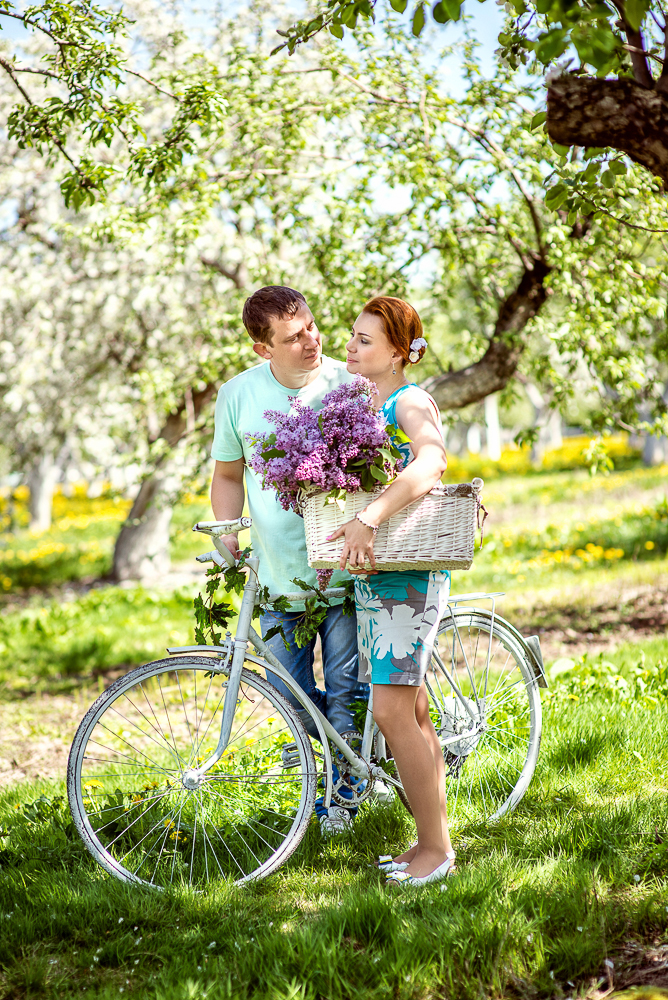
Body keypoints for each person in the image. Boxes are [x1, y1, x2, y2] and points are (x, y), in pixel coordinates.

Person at [210, 285, 368, 836]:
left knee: (350, 688)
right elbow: (229, 476)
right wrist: (229, 531)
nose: (311, 341)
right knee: (286, 694)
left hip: (350, 575)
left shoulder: (350, 384)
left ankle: (343, 801)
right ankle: (327, 767)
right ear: (263, 349)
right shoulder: (238, 396)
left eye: (312, 327)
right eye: (293, 337)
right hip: (279, 583)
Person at [327, 295, 455, 887]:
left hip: (407, 573)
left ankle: (437, 851)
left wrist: (372, 516)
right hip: (376, 574)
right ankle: (429, 840)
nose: (350, 347)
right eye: (352, 337)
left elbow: (431, 461)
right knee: (413, 710)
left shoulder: (410, 401)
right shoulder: (363, 404)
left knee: (390, 710)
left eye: (364, 340)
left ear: (400, 352)